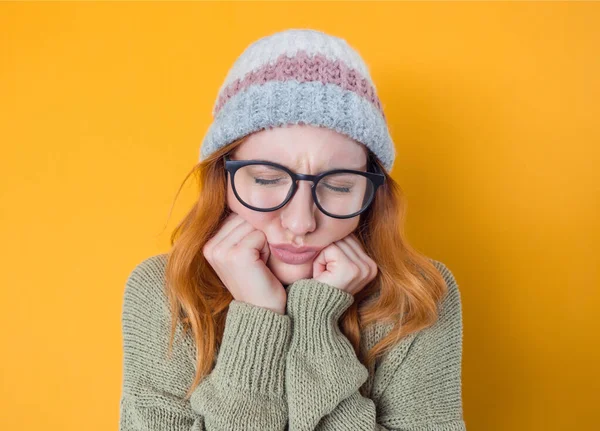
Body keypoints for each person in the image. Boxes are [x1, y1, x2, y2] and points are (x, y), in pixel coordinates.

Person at [119, 28, 466, 430]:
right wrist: (259, 321)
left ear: (372, 190)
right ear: (224, 181)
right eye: (266, 180)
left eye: (338, 186)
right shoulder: (165, 291)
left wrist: (317, 323)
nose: (301, 223)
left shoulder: (417, 295)